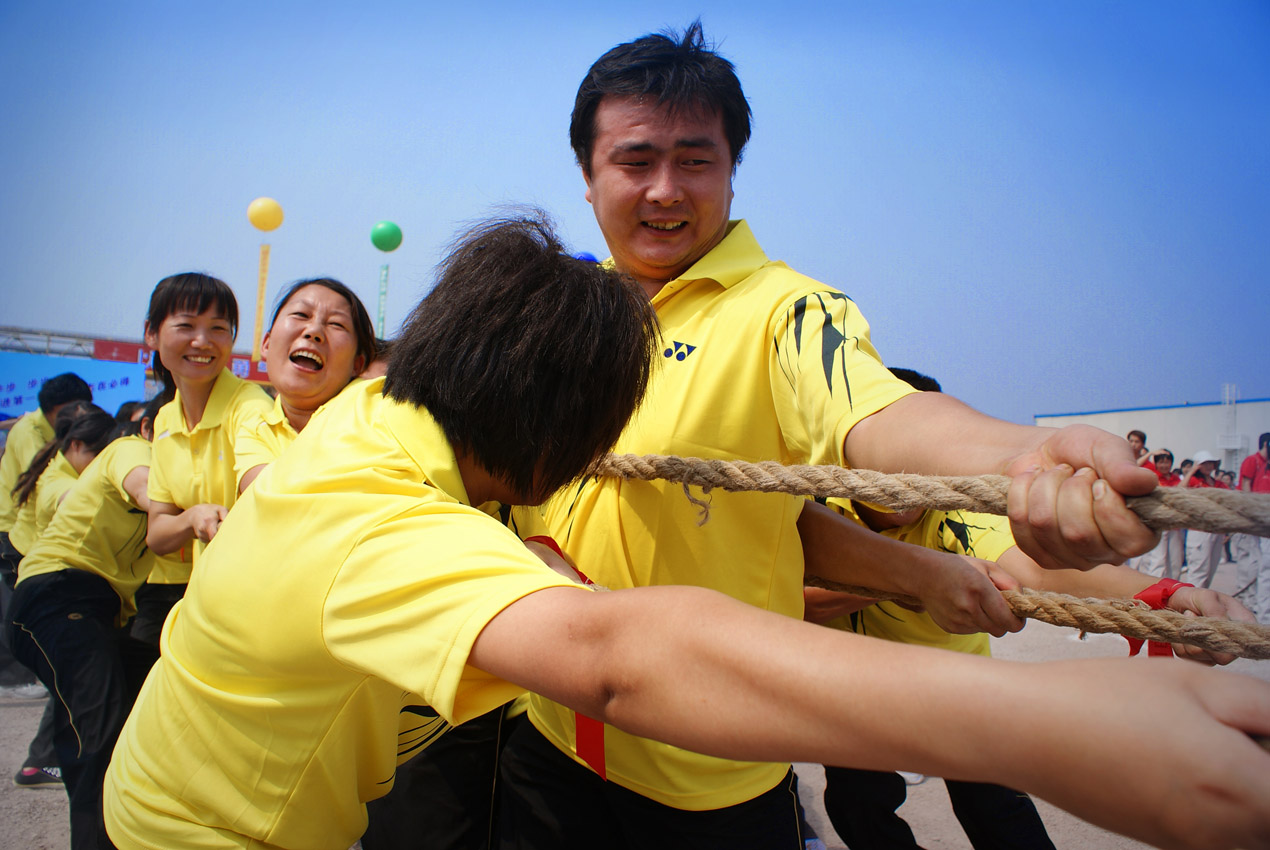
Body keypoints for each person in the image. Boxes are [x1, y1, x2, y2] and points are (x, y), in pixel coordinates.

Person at [100, 214, 1270, 850]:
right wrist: (1065, 724)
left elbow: (876, 509)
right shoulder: (379, 519)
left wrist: (1143, 600)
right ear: (563, 453)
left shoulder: (384, 410)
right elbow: (621, 653)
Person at [495, 23, 1167, 848]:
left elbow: (880, 414)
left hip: (708, 769)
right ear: (589, 179)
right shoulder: (555, 316)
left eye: (696, 160)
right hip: (545, 733)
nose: (666, 189)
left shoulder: (787, 312)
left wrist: (1022, 459)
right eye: (635, 162)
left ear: (733, 175)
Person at [7, 412, 159, 849]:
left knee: (159, 686)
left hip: (99, 613)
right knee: (100, 728)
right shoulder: (133, 450)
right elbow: (146, 488)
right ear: (149, 427)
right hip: (57, 593)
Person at [139, 272, 272, 638]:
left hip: (255, 603)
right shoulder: (166, 419)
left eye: (218, 328)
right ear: (151, 332)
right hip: (202, 597)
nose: (202, 341)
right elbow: (158, 534)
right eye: (186, 326)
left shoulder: (250, 408)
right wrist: (191, 518)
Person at [234, 277, 377, 492]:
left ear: (357, 364)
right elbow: (263, 495)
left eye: (336, 324)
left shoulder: (374, 411)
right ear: (266, 344)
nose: (314, 331)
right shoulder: (254, 430)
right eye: (301, 315)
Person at [1234, 433, 1270, 622]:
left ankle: (1256, 605)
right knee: (1254, 564)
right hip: (1255, 520)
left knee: (1260, 565)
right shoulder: (1253, 461)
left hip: (1263, 520)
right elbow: (1246, 487)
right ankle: (1252, 605)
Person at [1134, 448, 1185, 579]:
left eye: (1167, 462)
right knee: (1158, 561)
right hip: (1158, 523)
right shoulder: (1151, 476)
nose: (1164, 465)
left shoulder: (1175, 478)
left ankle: (1173, 590)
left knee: (1175, 561)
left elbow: (1183, 492)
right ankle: (1155, 592)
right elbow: (1134, 467)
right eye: (1161, 462)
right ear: (1155, 464)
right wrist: (1150, 454)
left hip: (1174, 525)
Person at [1181, 450, 1228, 588]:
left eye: (1210, 463)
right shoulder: (1194, 481)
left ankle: (1201, 604)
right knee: (1198, 571)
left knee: (1210, 571)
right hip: (1199, 530)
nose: (1208, 466)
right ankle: (1191, 604)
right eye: (1204, 463)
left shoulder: (1219, 484)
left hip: (1216, 531)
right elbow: (1179, 490)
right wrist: (1191, 471)